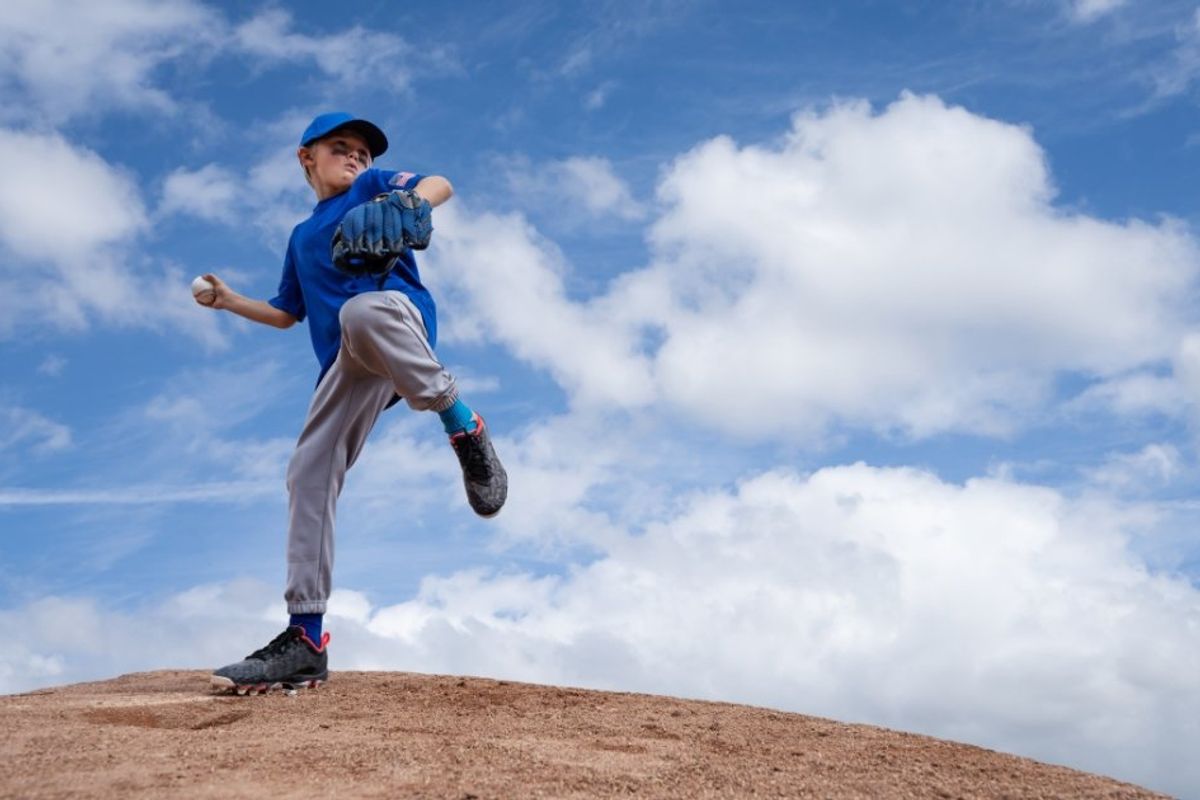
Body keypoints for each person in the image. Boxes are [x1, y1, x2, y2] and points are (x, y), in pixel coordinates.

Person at [197, 112, 507, 695]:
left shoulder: (371, 187)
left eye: (363, 153)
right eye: (341, 148)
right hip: (347, 361)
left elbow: (437, 182)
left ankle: (462, 425)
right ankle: (306, 638)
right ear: (305, 156)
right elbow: (287, 312)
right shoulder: (300, 235)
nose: (356, 159)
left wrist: (415, 203)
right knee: (307, 472)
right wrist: (231, 300)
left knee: (361, 311)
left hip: (396, 324)